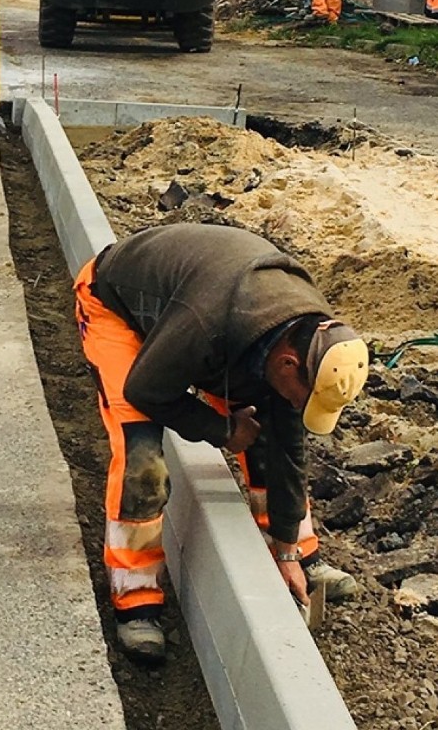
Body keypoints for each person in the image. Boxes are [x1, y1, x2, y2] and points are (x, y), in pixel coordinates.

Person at [73, 223, 369, 665]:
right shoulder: (206, 322)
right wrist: (223, 430)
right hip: (119, 307)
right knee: (143, 457)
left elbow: (289, 446)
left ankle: (297, 555)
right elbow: (147, 392)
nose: (297, 403)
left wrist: (287, 548)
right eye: (300, 395)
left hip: (211, 325)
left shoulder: (308, 337)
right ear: (288, 364)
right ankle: (136, 599)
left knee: (272, 429)